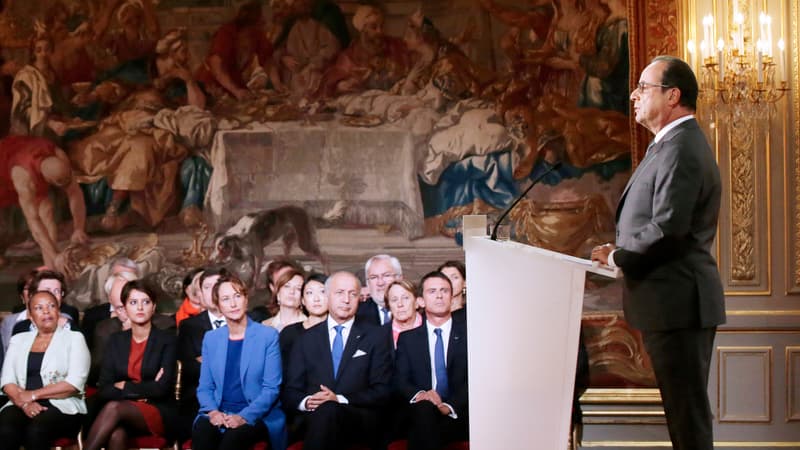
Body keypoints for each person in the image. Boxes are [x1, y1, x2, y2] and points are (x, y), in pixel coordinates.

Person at [591, 55, 725, 450]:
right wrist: (619, 250)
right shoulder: (666, 145)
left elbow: (667, 228)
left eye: (644, 87)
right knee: (683, 416)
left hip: (679, 303)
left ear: (673, 96)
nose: (634, 95)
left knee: (688, 419)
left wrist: (618, 257)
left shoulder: (681, 147)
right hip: (670, 301)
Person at [282, 271, 393, 449]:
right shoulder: (305, 339)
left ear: (360, 298)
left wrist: (339, 399)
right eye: (339, 293)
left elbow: (383, 390)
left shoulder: (376, 336)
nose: (346, 300)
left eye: (353, 294)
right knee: (325, 411)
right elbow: (291, 391)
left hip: (358, 418)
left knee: (329, 409)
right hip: (314, 418)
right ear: (327, 296)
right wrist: (308, 401)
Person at [193, 274, 287, 450]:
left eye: (238, 296)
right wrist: (213, 412)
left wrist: (243, 417)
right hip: (219, 411)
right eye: (226, 299)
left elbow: (271, 389)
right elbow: (205, 387)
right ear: (219, 306)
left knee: (232, 439)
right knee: (203, 431)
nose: (233, 304)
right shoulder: (211, 339)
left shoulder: (267, 336)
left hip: (257, 414)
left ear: (246, 299)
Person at [83, 280, 177, 450]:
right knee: (116, 435)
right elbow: (104, 388)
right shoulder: (116, 341)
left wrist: (124, 385)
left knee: (113, 408)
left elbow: (162, 389)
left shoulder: (167, 340)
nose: (140, 308)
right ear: (125, 308)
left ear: (154, 307)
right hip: (124, 411)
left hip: (158, 410)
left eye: (146, 302)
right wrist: (143, 389)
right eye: (133, 302)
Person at [0, 290, 90, 450]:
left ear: (58, 311)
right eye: (39, 308)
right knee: (6, 428)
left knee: (37, 430)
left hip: (63, 406)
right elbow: (7, 381)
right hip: (21, 403)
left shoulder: (75, 338)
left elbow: (73, 384)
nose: (46, 311)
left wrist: (33, 395)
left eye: (51, 306)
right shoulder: (18, 340)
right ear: (30, 314)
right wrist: (24, 403)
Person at [393, 271, 469, 450]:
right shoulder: (408, 339)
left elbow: (476, 379)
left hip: (459, 413)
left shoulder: (469, 334)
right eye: (432, 291)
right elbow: (400, 381)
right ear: (421, 300)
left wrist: (448, 406)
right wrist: (423, 396)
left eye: (444, 291)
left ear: (452, 296)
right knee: (424, 410)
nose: (439, 296)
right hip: (421, 412)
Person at [0, 137, 88, 273]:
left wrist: (79, 229)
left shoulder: (59, 155)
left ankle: (51, 268)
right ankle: (54, 260)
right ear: (48, 179)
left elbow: (74, 192)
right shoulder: (24, 179)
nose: (63, 188)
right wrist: (55, 255)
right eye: (59, 184)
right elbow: (33, 221)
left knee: (47, 211)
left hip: (24, 154)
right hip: (4, 169)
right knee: (39, 213)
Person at [176, 267, 229, 441]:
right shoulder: (188, 326)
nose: (213, 291)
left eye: (217, 285)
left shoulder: (248, 320)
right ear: (199, 294)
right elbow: (188, 369)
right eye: (207, 287)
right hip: (199, 399)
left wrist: (208, 361)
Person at [319, 4, 409, 98]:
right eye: (374, 27)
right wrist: (341, 85)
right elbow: (332, 80)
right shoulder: (350, 56)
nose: (380, 31)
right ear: (362, 30)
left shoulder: (395, 46)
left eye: (382, 26)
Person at [279, 273, 328, 370]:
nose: (316, 299)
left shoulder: (339, 331)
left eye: (322, 292)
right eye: (310, 293)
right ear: (303, 300)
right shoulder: (289, 333)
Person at [12, 269, 79, 337]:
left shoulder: (73, 330)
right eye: (47, 291)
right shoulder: (20, 329)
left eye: (57, 291)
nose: (52, 295)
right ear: (33, 294)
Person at [356, 254, 402, 326]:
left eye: (386, 275)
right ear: (368, 283)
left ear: (399, 278)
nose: (380, 283)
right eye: (374, 277)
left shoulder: (416, 310)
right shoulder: (357, 314)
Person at [0, 269, 39, 353]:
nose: (32, 292)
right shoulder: (9, 322)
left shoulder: (59, 318)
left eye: (35, 288)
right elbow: (4, 353)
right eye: (28, 288)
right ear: (22, 296)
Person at [384, 280, 422, 348]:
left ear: (416, 303)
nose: (400, 304)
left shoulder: (432, 329)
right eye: (394, 300)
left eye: (405, 298)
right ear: (389, 306)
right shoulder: (379, 335)